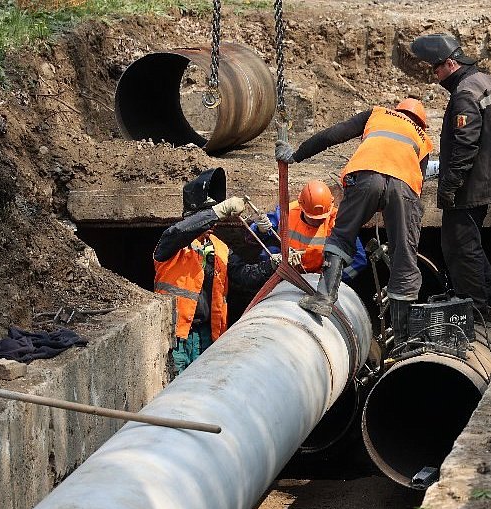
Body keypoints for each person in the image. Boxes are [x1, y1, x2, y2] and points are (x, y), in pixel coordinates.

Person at [276, 99, 433, 343]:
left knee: (342, 235)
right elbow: (418, 185)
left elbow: (333, 134)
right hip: (404, 188)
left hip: (366, 176)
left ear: (397, 110)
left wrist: (296, 155)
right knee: (404, 254)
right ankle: (403, 338)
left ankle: (324, 299)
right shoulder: (424, 139)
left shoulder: (377, 114)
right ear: (421, 122)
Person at [409, 33, 491, 313]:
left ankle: (474, 307)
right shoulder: (486, 81)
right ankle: (489, 297)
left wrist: (450, 186)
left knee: (459, 246)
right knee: (471, 242)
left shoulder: (464, 93)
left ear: (450, 64)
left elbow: (465, 145)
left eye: (436, 68)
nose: (435, 76)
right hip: (488, 179)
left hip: (471, 185)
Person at [153, 168, 278, 373]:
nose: (213, 223)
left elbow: (244, 276)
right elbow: (178, 231)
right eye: (208, 217)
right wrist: (218, 210)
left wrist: (272, 265)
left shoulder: (220, 248)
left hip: (208, 336)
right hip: (175, 337)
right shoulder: (172, 245)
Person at [251, 179, 367, 282]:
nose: (317, 221)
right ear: (301, 207)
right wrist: (260, 229)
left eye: (322, 218)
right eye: (312, 218)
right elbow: (253, 237)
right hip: (286, 272)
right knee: (269, 250)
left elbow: (359, 260)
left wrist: (331, 278)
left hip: (320, 275)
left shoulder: (339, 221)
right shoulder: (287, 213)